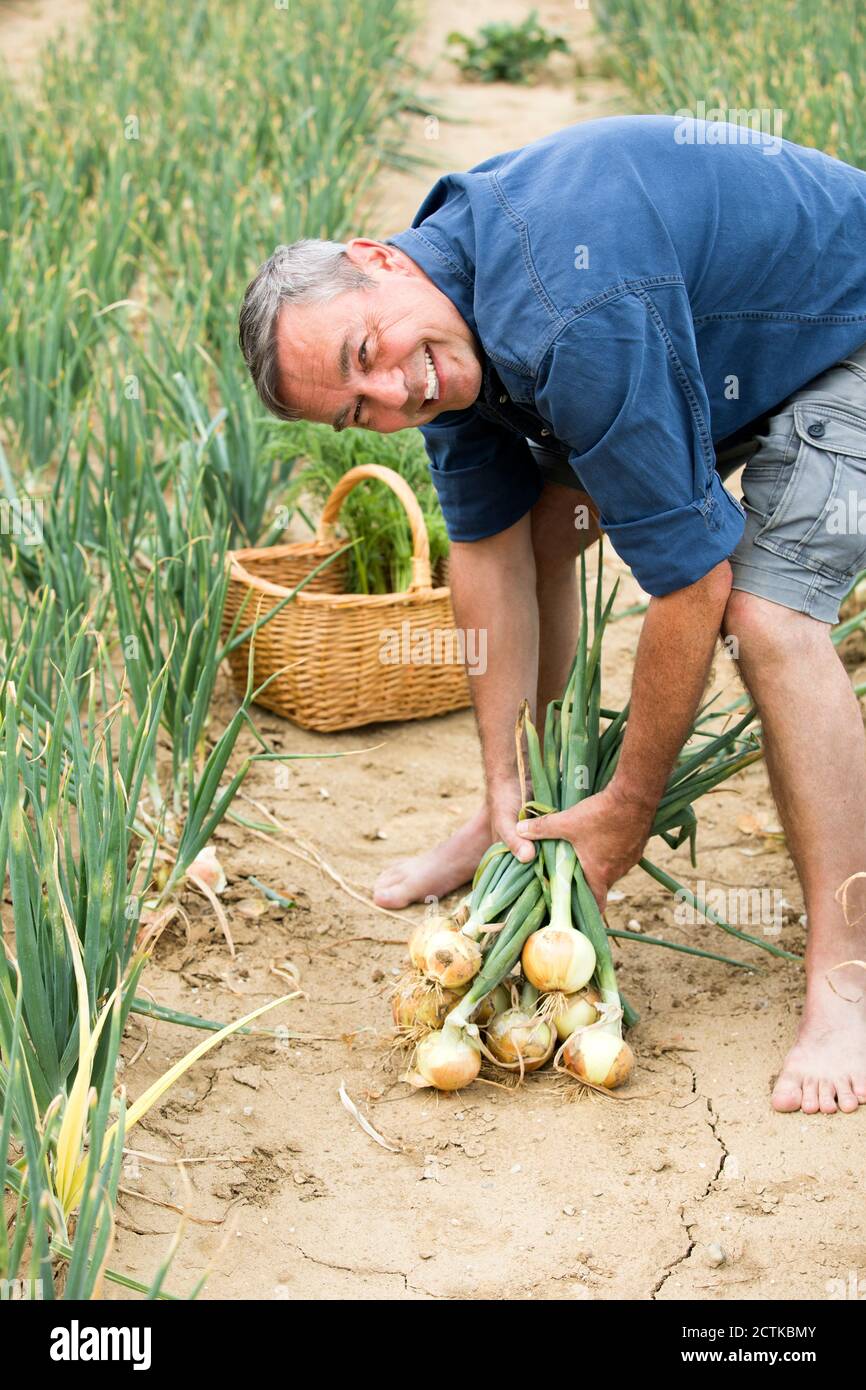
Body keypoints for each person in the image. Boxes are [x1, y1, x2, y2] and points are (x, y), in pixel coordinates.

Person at [238, 115, 866, 1114]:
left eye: (370, 352)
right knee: (538, 524)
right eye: (361, 410)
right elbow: (487, 548)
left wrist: (626, 804)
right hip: (719, 345)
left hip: (845, 328)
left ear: (373, 260)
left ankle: (845, 979)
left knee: (762, 609)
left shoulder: (566, 308)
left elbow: (688, 584)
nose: (398, 392)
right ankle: (512, 818)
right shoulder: (438, 314)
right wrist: (501, 789)